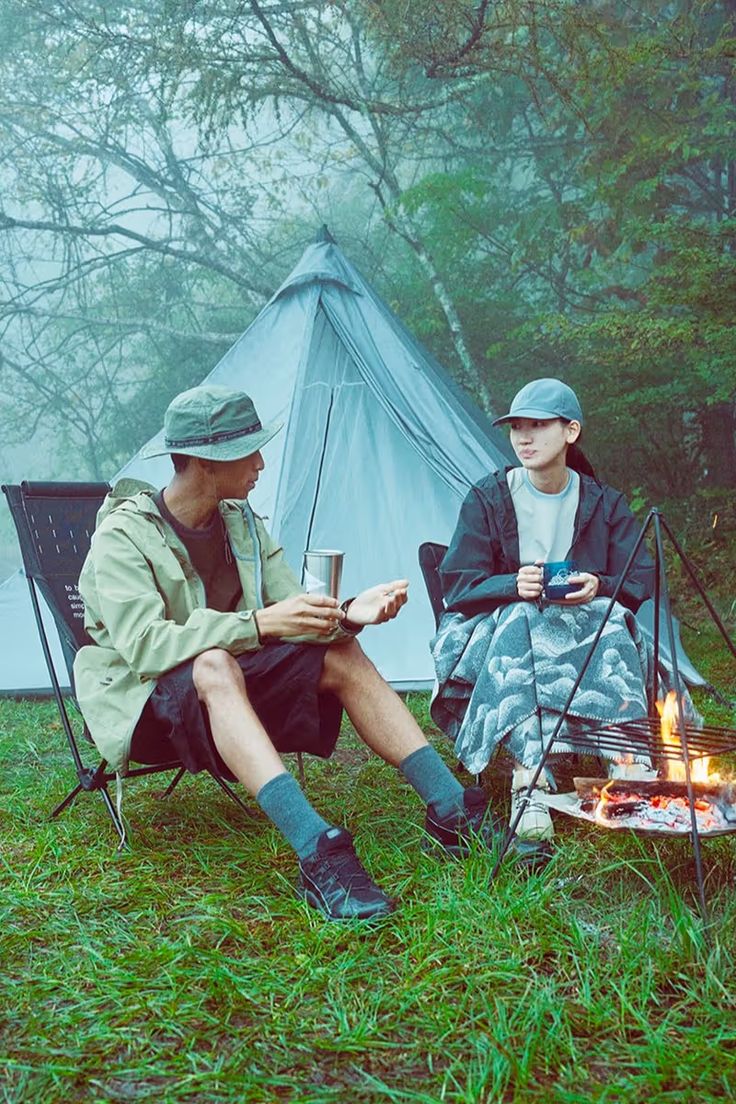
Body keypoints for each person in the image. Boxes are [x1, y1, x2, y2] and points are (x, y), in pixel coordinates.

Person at [74, 384, 498, 922]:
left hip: (231, 692)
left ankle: (452, 808)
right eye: (249, 450)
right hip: (147, 708)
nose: (260, 462)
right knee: (213, 662)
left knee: (339, 650)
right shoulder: (122, 536)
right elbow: (145, 646)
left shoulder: (241, 521)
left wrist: (345, 613)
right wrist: (258, 624)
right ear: (207, 461)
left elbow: (287, 610)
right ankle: (318, 852)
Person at [431, 378, 657, 863]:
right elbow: (457, 582)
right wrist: (511, 584)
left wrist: (599, 583)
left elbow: (639, 574)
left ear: (570, 431)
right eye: (517, 427)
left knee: (612, 617)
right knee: (521, 620)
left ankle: (626, 759)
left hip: (579, 626)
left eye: (538, 426)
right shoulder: (489, 498)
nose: (524, 438)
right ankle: (529, 776)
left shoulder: (603, 503)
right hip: (497, 625)